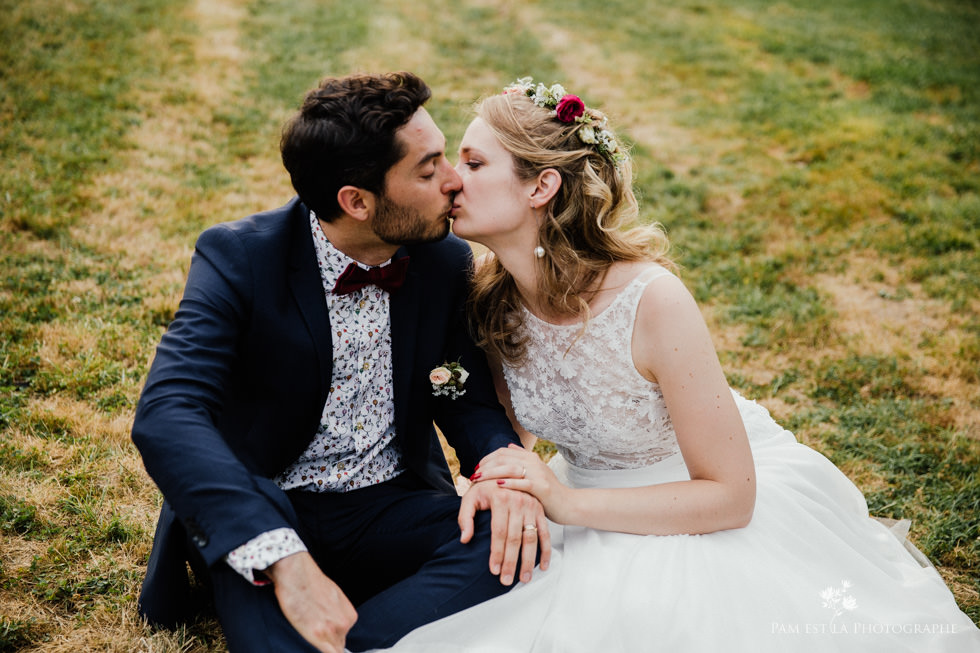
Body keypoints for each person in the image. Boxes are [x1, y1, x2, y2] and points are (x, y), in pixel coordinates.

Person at [368, 78, 980, 651]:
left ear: (540, 187)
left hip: (695, 509)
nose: (450, 181)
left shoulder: (650, 301)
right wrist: (505, 481)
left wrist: (567, 505)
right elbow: (512, 430)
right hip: (574, 500)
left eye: (473, 164)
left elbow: (732, 497)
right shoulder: (489, 293)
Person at [130, 71, 551, 653]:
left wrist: (500, 475)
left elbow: (465, 397)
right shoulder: (238, 257)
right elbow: (167, 413)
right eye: (428, 171)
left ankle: (355, 640)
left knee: (511, 539)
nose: (455, 182)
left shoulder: (442, 260)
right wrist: (286, 560)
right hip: (269, 508)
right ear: (356, 201)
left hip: (391, 503)